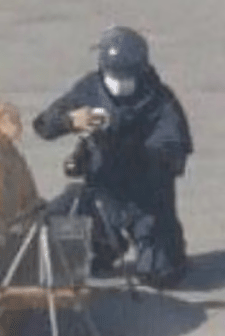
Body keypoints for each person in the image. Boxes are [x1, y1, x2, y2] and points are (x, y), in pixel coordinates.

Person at [32, 25, 193, 289]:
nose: (117, 83)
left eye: (125, 76)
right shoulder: (91, 89)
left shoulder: (161, 102)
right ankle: (104, 245)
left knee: (161, 275)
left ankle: (165, 251)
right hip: (102, 192)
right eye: (112, 74)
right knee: (61, 217)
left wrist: (124, 144)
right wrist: (69, 121)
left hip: (147, 200)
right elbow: (43, 125)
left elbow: (172, 154)